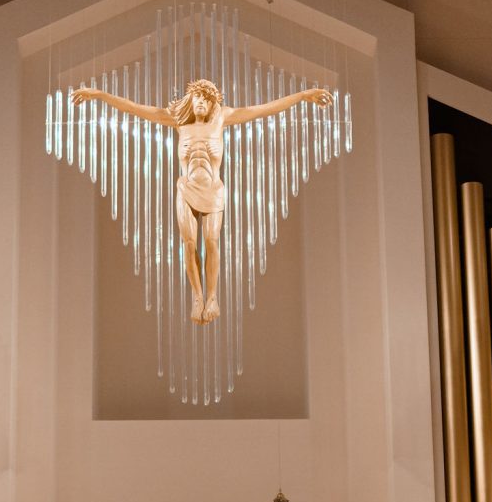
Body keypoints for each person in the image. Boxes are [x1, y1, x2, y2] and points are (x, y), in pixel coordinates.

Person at [71, 78, 331, 324]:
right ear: (190, 99)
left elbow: (263, 110)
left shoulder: (223, 118)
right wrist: (100, 95)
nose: (200, 103)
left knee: (211, 241)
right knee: (188, 242)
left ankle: (213, 296)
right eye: (196, 97)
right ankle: (197, 297)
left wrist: (303, 96)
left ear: (212, 103)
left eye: (205, 99)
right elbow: (136, 109)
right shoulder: (177, 121)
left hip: (213, 189)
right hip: (186, 188)